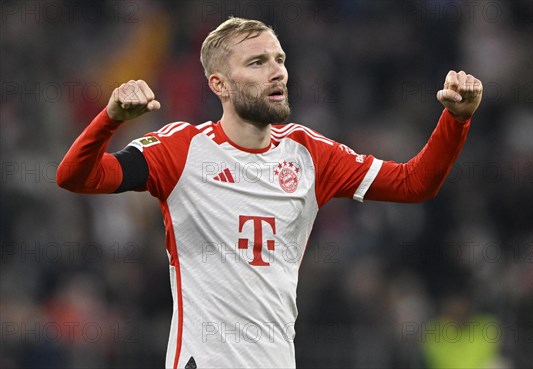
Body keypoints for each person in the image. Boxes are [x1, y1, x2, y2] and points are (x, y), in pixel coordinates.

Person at [57, 17, 482, 369]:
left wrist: (456, 120)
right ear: (220, 84)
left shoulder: (310, 154)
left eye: (279, 59)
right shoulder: (181, 149)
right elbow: (77, 176)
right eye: (258, 62)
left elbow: (414, 183)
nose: (277, 71)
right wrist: (110, 120)